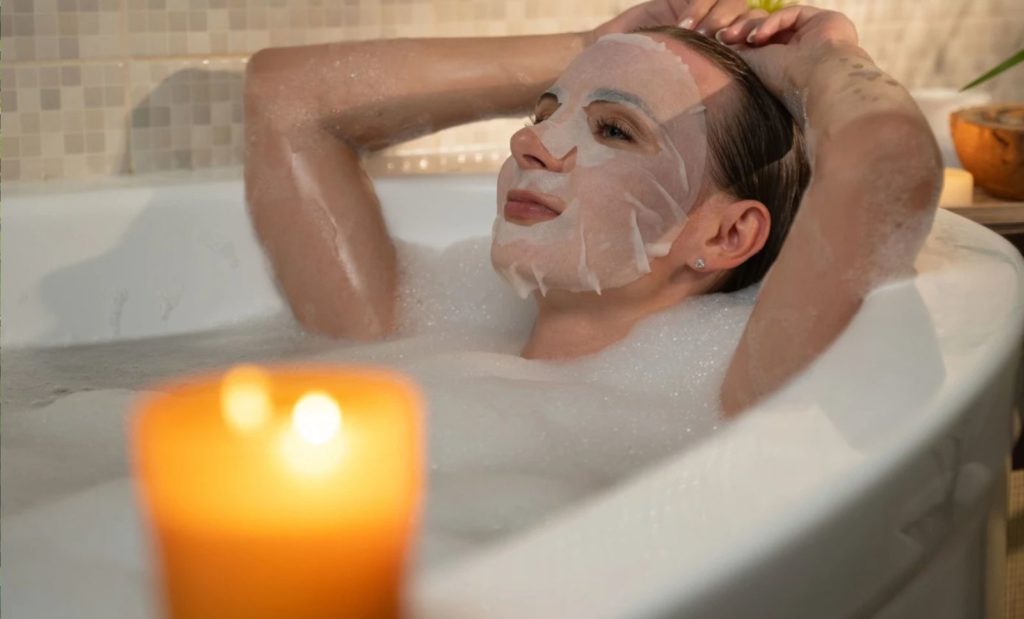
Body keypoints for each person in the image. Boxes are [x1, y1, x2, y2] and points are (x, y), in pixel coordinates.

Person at [243, 1, 942, 416]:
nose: (530, 142)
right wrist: (588, 48)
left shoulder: (730, 400)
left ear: (728, 235)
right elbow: (285, 96)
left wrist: (820, 59)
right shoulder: (395, 343)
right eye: (544, 113)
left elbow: (886, 163)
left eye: (613, 129)